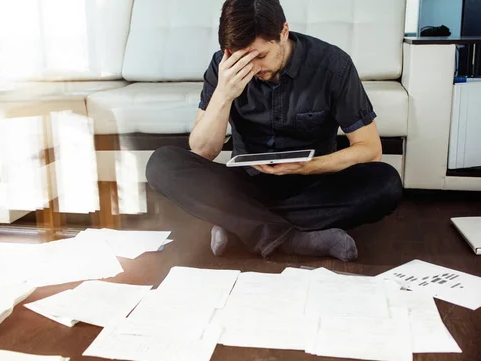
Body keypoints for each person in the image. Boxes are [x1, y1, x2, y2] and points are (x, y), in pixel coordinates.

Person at [146, 0, 402, 261]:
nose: (253, 68)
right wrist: (224, 93)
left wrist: (309, 166)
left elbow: (370, 149)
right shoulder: (223, 69)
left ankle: (241, 224)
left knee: (386, 183)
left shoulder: (333, 65)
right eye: (242, 58)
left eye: (259, 56)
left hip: (313, 186)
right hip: (246, 184)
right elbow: (203, 151)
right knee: (161, 163)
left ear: (283, 32)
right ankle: (293, 238)